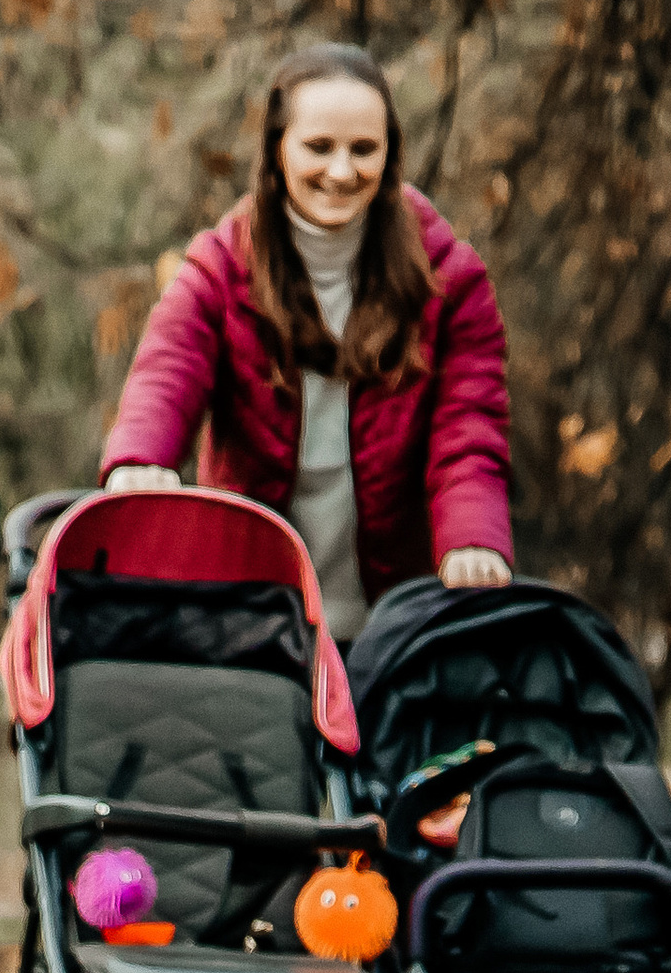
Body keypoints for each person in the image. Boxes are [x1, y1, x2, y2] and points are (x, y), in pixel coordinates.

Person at [100, 42, 512, 639]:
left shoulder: (452, 281)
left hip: (393, 619)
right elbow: (167, 371)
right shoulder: (219, 269)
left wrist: (473, 541)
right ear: (277, 151)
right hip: (253, 617)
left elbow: (469, 435)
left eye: (364, 149)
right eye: (319, 147)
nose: (342, 172)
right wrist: (140, 459)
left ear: (390, 154)